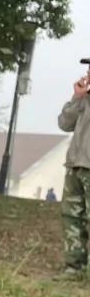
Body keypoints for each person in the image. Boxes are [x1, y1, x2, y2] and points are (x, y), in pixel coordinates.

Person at [58, 66, 90, 278]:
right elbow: (64, 123)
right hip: (76, 164)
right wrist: (77, 98)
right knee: (72, 217)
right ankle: (74, 267)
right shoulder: (84, 98)